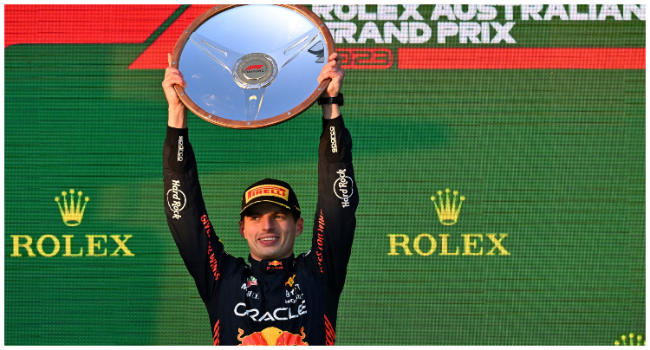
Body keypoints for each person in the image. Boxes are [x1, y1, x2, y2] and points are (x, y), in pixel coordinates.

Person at [162, 51, 358, 345]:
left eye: (278, 215)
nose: (267, 226)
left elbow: (337, 202)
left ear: (299, 225)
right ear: (242, 228)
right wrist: (177, 111)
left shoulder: (319, 271)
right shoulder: (221, 278)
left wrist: (330, 102)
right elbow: (185, 214)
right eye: (255, 217)